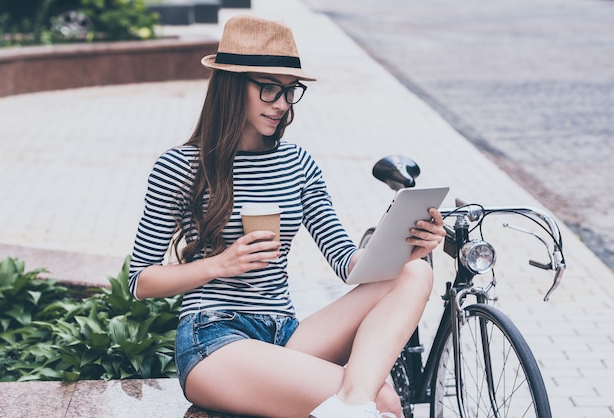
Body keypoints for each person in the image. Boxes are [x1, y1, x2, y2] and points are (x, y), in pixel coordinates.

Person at [128, 15, 445, 418]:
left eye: (289, 92)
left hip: (287, 333)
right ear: (231, 86)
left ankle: (348, 406)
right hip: (214, 338)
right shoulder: (181, 166)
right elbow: (140, 281)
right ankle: (353, 404)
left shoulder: (298, 163)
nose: (280, 104)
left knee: (416, 275)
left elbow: (348, 264)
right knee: (381, 400)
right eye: (268, 90)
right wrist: (219, 264)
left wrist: (407, 247)